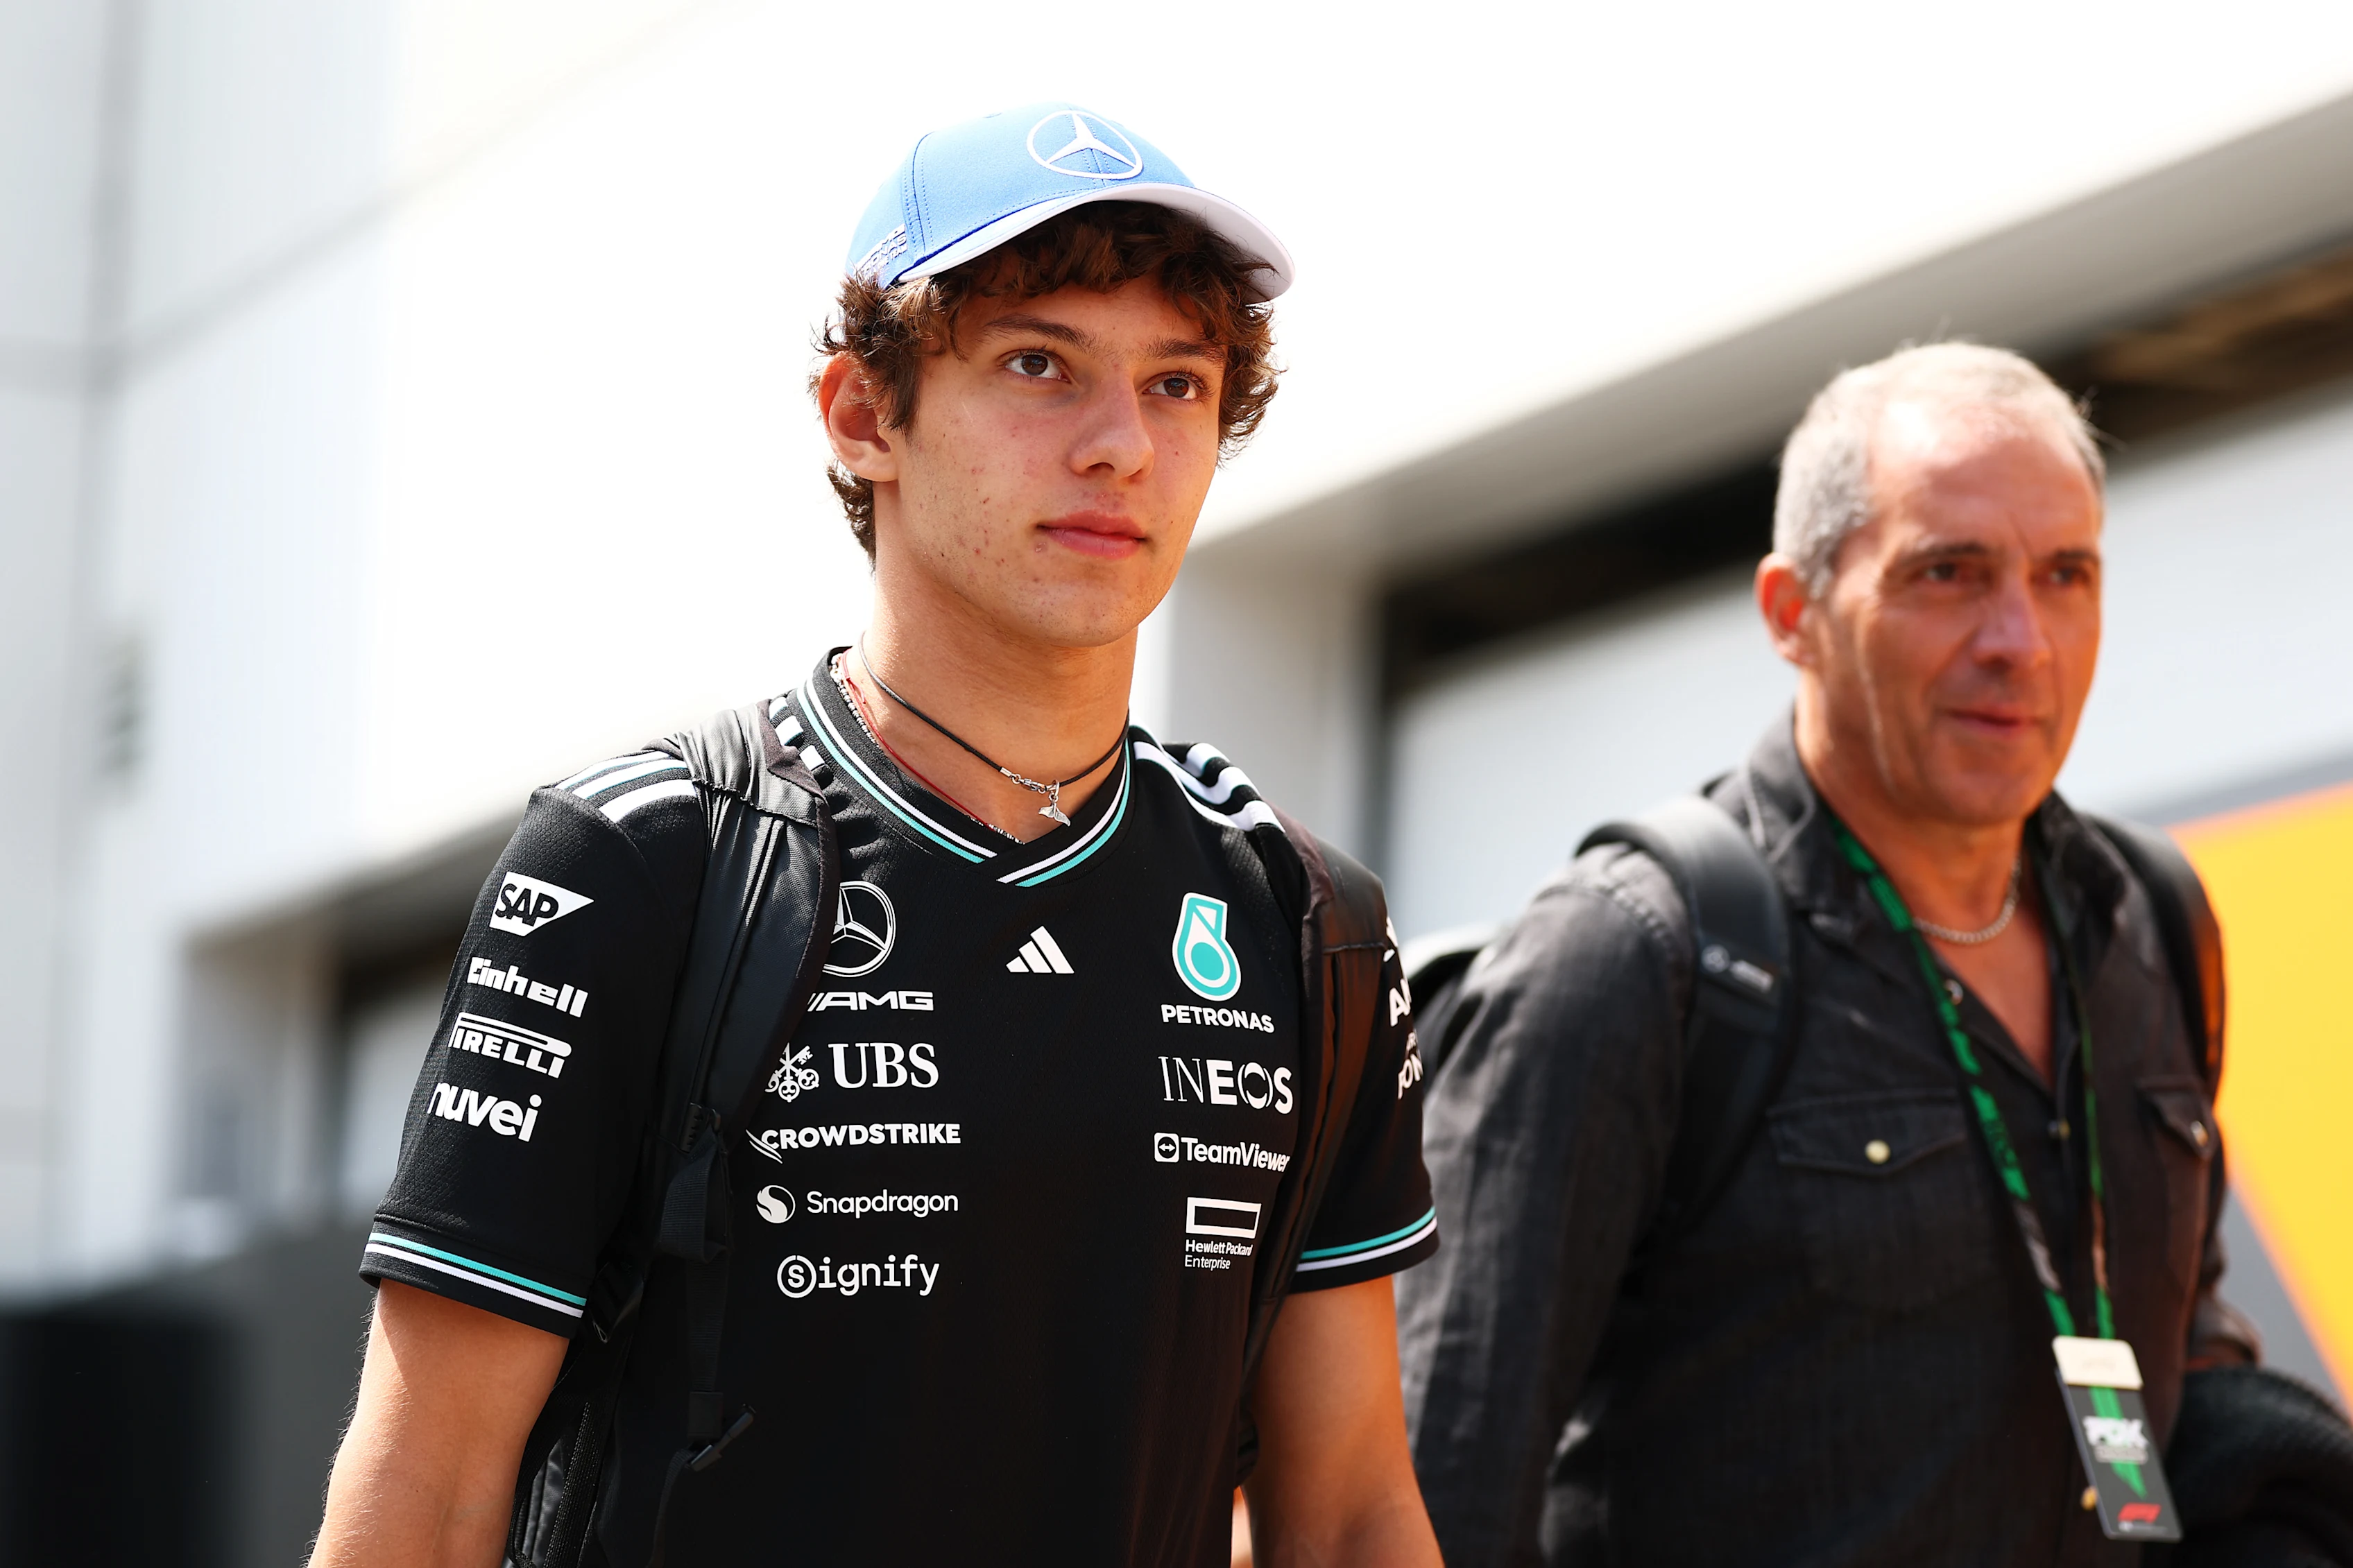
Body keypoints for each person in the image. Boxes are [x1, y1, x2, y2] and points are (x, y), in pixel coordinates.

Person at [310, 104, 1441, 1568]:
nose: (1121, 446)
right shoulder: (644, 866)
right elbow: (427, 1488)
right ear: (862, 414)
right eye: (1038, 365)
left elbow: (1348, 1512)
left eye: (1177, 383)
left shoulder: (1302, 920)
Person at [1396, 343, 2260, 1566]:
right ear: (1793, 614)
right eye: (1949, 573)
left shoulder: (2152, 922)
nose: (2021, 639)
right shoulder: (1632, 959)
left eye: (2065, 575)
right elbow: (1434, 1499)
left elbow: (2179, 1333)